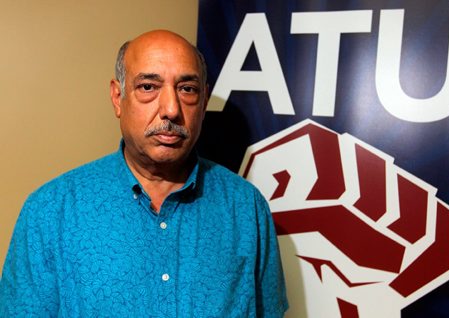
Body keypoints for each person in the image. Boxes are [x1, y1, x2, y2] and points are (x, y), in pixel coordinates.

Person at [0, 30, 288, 317]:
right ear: (117, 97)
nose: (171, 110)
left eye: (187, 89)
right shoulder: (50, 211)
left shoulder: (246, 208)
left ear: (203, 103)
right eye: (149, 87)